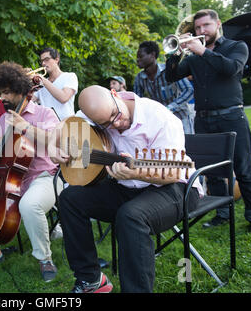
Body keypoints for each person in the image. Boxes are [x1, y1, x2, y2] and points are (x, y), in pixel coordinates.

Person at [51, 85, 203, 292]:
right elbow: (64, 124)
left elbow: (174, 172)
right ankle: (91, 280)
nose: (117, 124)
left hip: (176, 188)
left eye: (116, 114)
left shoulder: (159, 118)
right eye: (106, 124)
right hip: (129, 186)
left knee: (130, 216)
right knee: (70, 198)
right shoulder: (97, 111)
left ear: (115, 94)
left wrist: (137, 173)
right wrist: (53, 144)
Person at [0, 61, 64, 282]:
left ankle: (44, 259)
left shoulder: (45, 114)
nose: (2, 98)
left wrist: (25, 127)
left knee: (30, 205)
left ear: (20, 90)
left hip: (44, 176)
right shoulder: (5, 117)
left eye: (6, 92)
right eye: (0, 92)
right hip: (11, 180)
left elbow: (55, 140)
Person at [166, 9, 251, 233]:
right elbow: (171, 76)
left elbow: (231, 69)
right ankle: (222, 213)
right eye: (197, 28)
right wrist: (175, 54)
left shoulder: (237, 47)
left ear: (217, 24)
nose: (201, 31)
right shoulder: (194, 58)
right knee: (211, 170)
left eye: (206, 26)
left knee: (243, 168)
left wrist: (203, 52)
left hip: (232, 117)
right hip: (204, 119)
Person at [134, 41, 195, 134]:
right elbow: (138, 102)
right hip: (162, 122)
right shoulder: (139, 78)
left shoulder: (169, 70)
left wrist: (170, 108)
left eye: (141, 56)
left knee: (189, 147)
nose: (138, 59)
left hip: (182, 119)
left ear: (153, 55)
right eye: (137, 57)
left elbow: (189, 90)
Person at [32, 47, 78, 121]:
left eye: (46, 60)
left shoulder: (70, 76)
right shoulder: (41, 82)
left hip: (66, 125)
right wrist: (24, 81)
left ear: (56, 59)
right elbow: (29, 100)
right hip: (47, 126)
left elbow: (63, 98)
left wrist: (43, 80)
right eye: (42, 61)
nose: (43, 63)